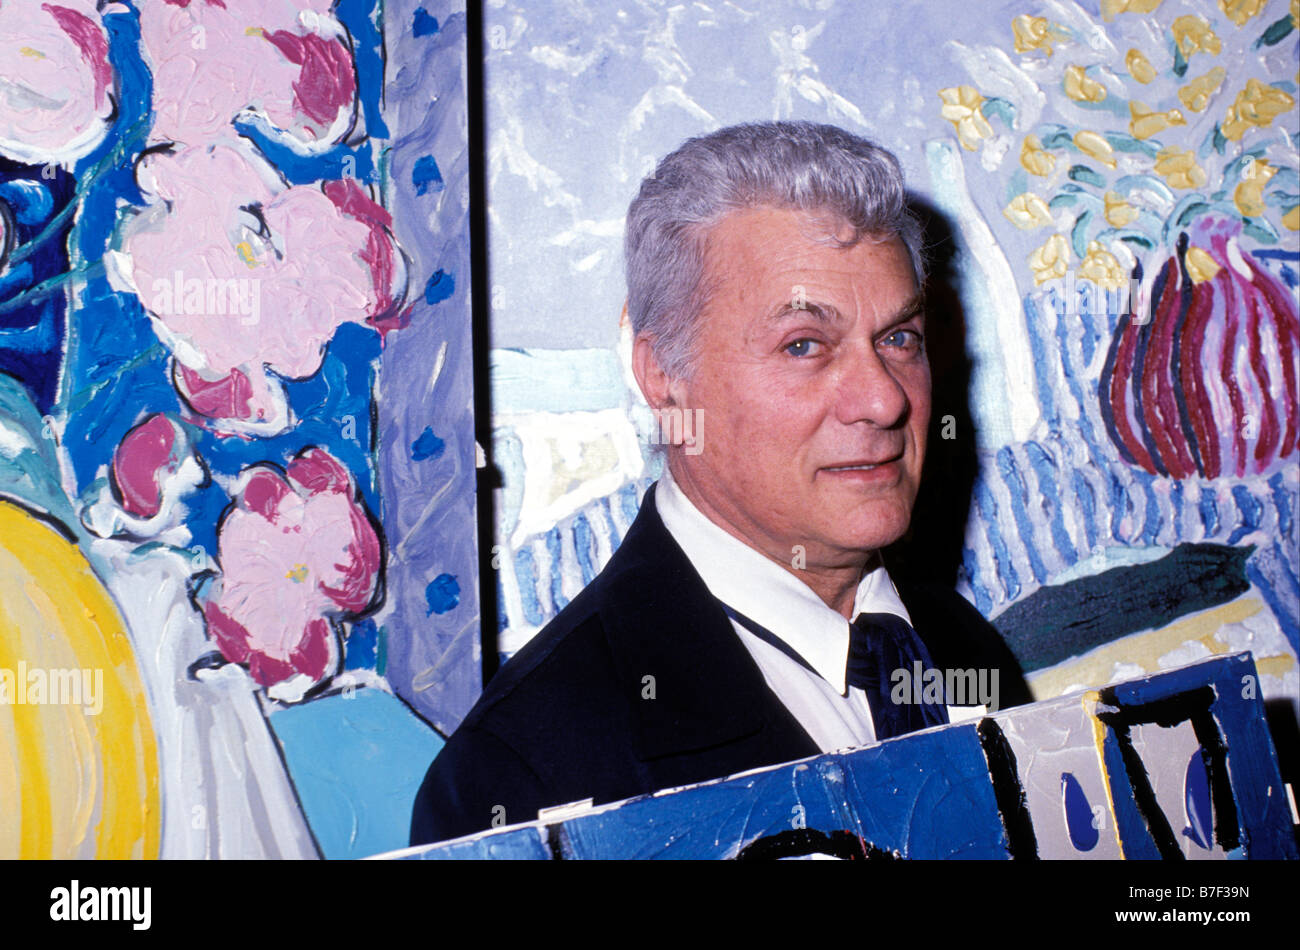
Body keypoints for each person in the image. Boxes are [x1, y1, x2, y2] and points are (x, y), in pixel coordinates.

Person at [410, 120, 1030, 846]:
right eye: (804, 345)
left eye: (899, 338)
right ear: (663, 377)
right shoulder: (523, 777)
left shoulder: (961, 647)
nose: (884, 399)